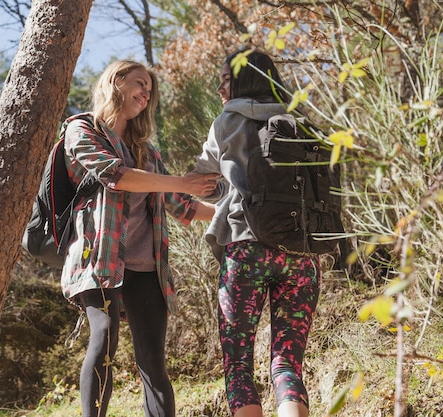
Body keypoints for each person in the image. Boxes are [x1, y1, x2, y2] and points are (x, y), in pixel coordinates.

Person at [60, 60, 219, 417]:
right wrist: (180, 181)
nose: (146, 94)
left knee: (153, 362)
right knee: (103, 341)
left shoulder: (147, 151)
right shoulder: (82, 129)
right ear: (116, 82)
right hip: (99, 261)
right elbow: (114, 175)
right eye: (139, 83)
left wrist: (234, 212)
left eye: (149, 90)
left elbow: (181, 206)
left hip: (148, 268)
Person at [193, 48, 320, 417]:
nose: (219, 88)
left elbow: (204, 180)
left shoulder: (227, 122)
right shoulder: (300, 118)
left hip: (246, 252)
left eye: (224, 80)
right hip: (301, 254)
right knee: (287, 363)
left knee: (238, 366)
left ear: (242, 80)